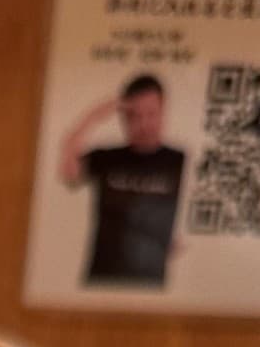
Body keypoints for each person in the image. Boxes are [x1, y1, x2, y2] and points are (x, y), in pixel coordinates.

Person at [57, 75, 189, 289]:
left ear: (163, 112)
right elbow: (68, 173)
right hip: (102, 278)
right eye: (134, 116)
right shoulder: (107, 158)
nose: (143, 123)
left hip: (152, 283)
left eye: (151, 114)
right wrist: (93, 117)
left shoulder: (180, 160)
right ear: (123, 118)